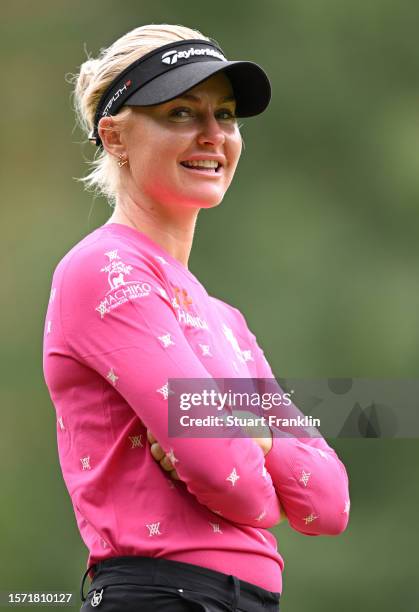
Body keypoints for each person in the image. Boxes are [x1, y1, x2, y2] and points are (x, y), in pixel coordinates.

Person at [42, 24, 350, 612]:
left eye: (226, 115)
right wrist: (254, 454)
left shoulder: (225, 319)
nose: (214, 135)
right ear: (115, 137)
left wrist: (247, 431)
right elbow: (224, 472)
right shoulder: (105, 270)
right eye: (181, 113)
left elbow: (329, 503)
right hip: (161, 595)